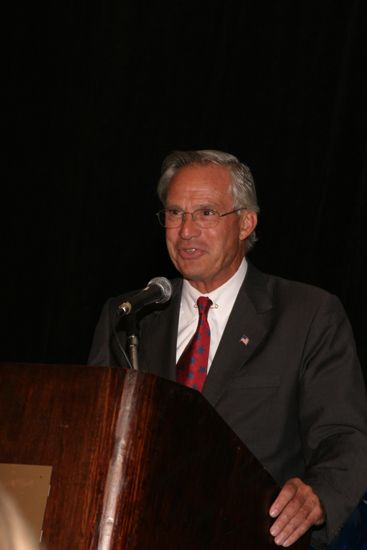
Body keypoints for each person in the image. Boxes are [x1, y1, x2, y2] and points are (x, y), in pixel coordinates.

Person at [88, 149, 367, 549]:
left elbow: (345, 436)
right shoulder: (130, 317)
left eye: (205, 213)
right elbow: (97, 436)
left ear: (245, 223)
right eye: (174, 213)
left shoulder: (307, 316)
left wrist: (318, 495)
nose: (185, 230)